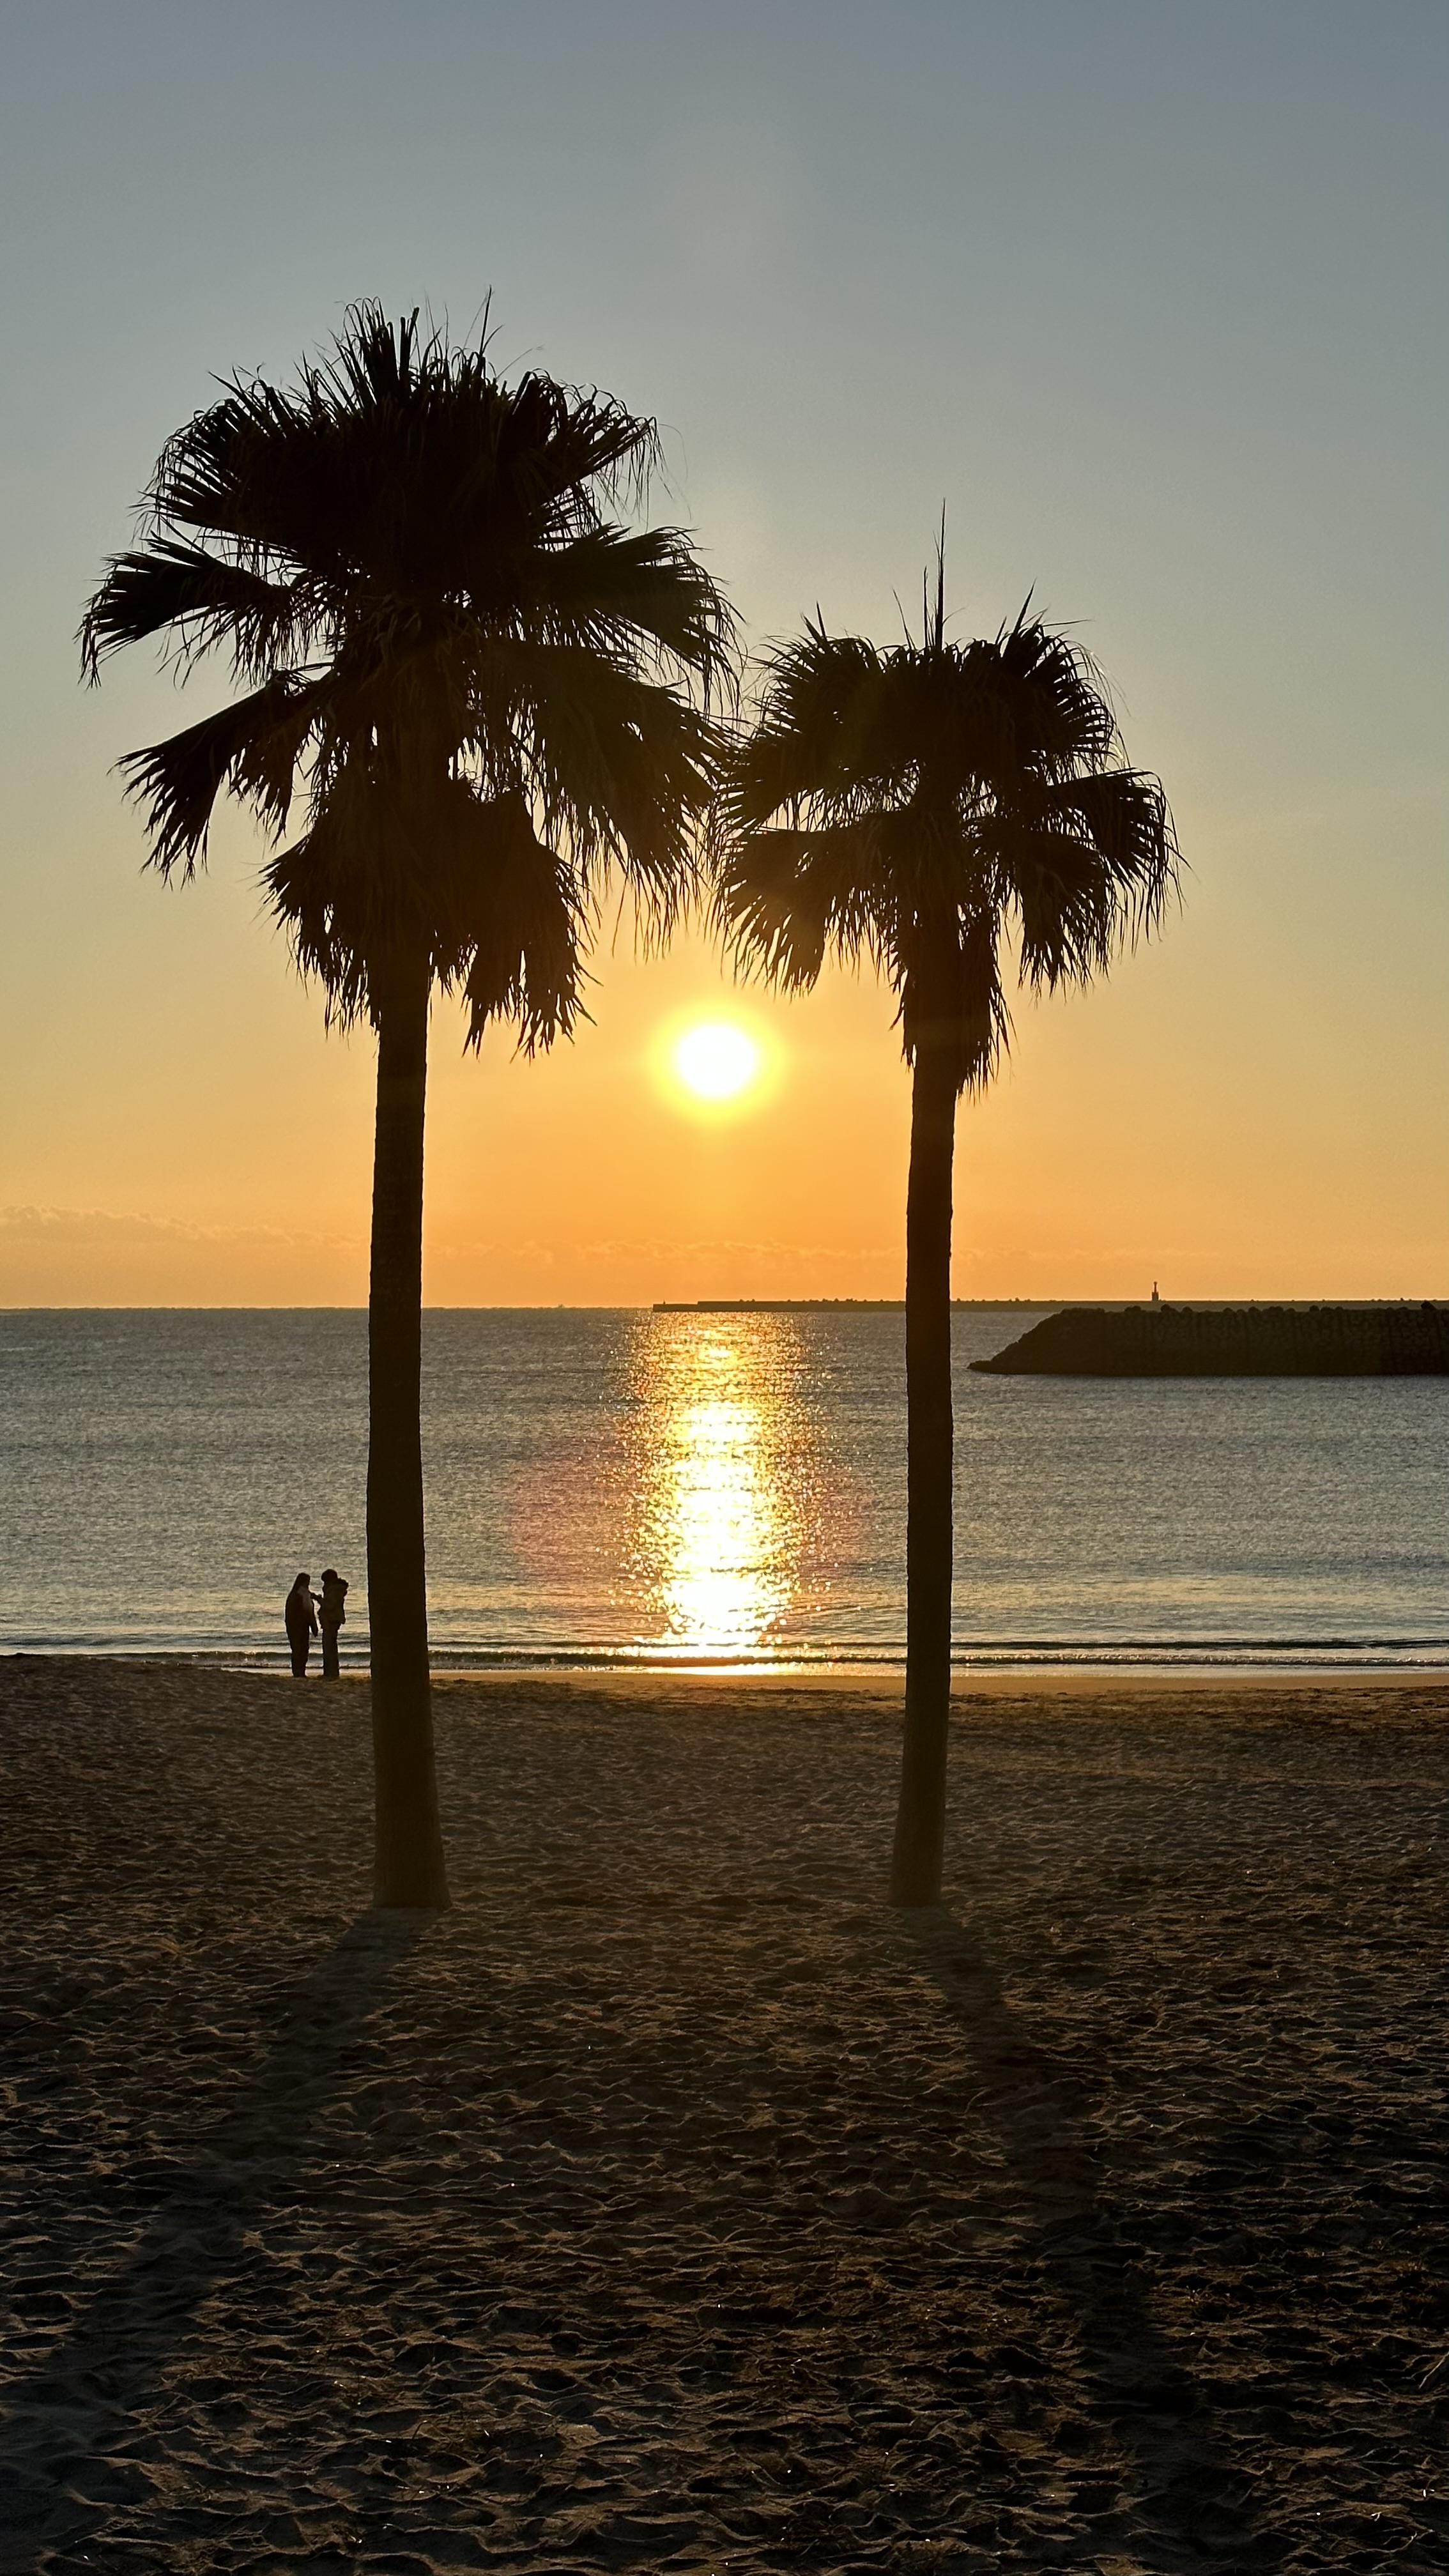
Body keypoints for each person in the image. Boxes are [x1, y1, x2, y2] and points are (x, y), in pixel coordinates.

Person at [284, 1571, 318, 1677]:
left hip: (292, 1625)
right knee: (302, 1649)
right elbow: (309, 1612)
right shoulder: (303, 1594)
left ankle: (297, 1671)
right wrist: (314, 1626)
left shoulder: (293, 1594)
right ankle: (300, 1671)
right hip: (302, 1625)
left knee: (296, 1649)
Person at [318, 1567, 349, 1680]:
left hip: (332, 1620)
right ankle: (331, 1671)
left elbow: (329, 1605)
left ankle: (331, 1672)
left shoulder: (335, 1590)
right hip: (332, 1620)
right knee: (330, 1646)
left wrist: (319, 1599)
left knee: (329, 1647)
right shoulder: (335, 1589)